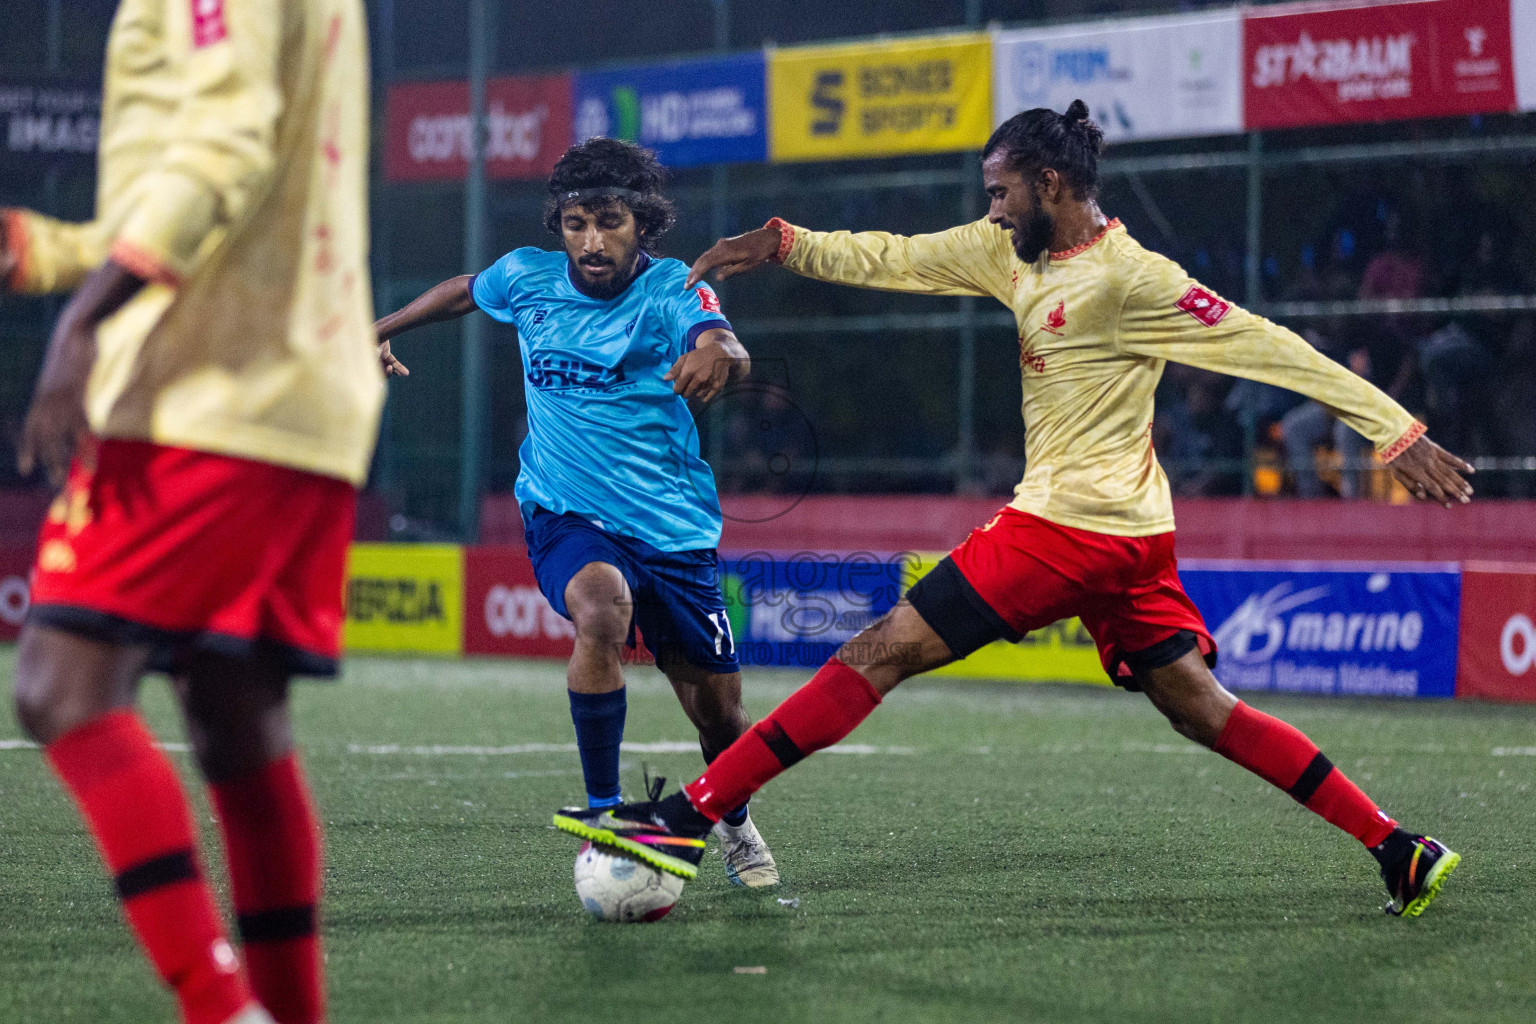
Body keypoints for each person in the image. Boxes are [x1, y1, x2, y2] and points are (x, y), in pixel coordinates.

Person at [552, 102, 1475, 919]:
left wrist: (1396, 432)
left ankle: (683, 822)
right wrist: (785, 243)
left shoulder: (1133, 278)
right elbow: (901, 258)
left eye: (1000, 191)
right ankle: (1397, 846)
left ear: (1051, 182)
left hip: (1071, 526)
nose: (990, 209)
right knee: (1200, 706)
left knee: (877, 652)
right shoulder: (1012, 252)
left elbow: (1268, 347)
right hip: (1129, 540)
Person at [1, 3, 382, 1024]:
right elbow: (197, 194)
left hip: (203, 390)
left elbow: (224, 144)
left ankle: (223, 1010)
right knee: (234, 719)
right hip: (299, 393)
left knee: (59, 685)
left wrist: (83, 322)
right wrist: (42, 255)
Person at [375, 137, 778, 887]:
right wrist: (383, 328)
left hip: (674, 528)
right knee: (601, 609)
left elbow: (719, 337)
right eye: (576, 224)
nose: (592, 242)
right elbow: (467, 289)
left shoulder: (670, 286)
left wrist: (725, 353)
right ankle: (603, 816)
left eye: (611, 223)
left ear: (643, 223)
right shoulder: (527, 278)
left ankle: (736, 821)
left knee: (720, 716)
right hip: (566, 511)